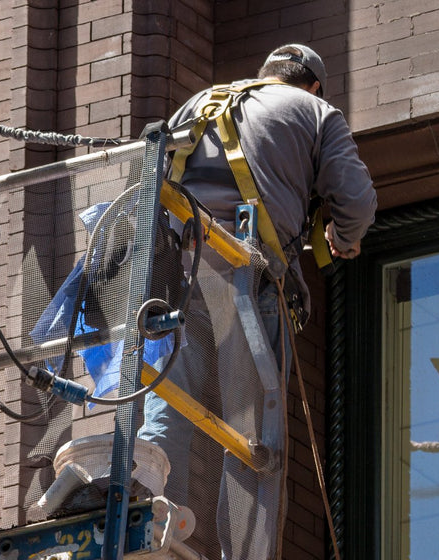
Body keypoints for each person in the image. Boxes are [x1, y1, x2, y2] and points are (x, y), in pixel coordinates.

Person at [136, 44, 376, 558]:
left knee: (169, 400)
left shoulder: (200, 102)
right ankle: (243, 552)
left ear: (266, 74)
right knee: (249, 436)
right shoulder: (315, 111)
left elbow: (148, 180)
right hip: (248, 280)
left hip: (177, 278)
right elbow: (357, 201)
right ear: (313, 84)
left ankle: (147, 524)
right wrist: (343, 237)